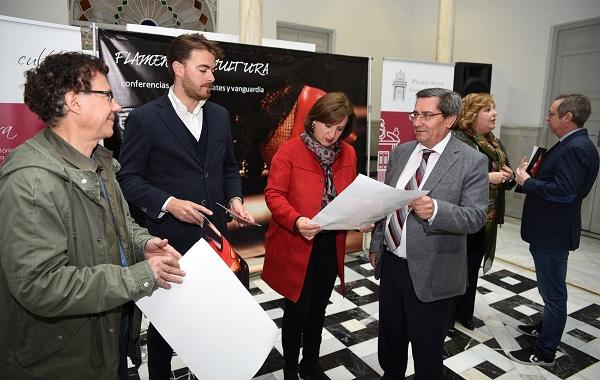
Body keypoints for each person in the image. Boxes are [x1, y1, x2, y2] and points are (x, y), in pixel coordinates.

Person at [0, 52, 185, 380]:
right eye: (107, 95)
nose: (115, 106)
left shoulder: (101, 163)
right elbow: (39, 284)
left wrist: (144, 244)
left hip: (106, 344)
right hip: (59, 362)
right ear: (73, 102)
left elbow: (119, 226)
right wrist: (137, 276)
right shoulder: (32, 180)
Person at [117, 33, 255, 379]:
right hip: (170, 244)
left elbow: (227, 166)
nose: (212, 77)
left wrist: (235, 198)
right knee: (167, 331)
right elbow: (128, 179)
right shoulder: (146, 119)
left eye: (213, 69)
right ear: (179, 69)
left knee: (215, 322)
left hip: (216, 242)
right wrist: (169, 203)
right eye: (204, 69)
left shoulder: (221, 116)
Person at [369, 88, 489, 379]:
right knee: (390, 343)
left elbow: (476, 217)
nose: (417, 121)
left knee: (427, 354)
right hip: (393, 267)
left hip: (435, 272)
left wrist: (435, 209)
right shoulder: (401, 152)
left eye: (427, 115)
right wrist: (376, 243)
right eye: (415, 114)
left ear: (449, 119)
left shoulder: (471, 161)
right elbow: (388, 202)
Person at [262, 92, 372, 380]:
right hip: (297, 242)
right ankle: (289, 368)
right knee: (296, 311)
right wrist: (296, 220)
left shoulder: (347, 153)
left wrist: (362, 217)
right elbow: (273, 195)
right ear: (313, 121)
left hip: (329, 243)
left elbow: (350, 196)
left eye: (339, 129)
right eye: (327, 125)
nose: (331, 134)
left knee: (318, 308)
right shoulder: (290, 151)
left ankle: (310, 363)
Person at [509, 94, 599, 366]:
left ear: (568, 117)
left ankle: (545, 351)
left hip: (554, 232)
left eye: (551, 113)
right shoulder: (571, 144)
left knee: (554, 294)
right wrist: (531, 176)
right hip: (549, 230)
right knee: (549, 290)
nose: (547, 118)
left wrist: (528, 181)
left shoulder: (577, 148)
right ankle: (544, 328)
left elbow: (564, 193)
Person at [451, 93, 516, 330]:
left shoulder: (494, 142)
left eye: (493, 109)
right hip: (463, 213)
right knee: (456, 269)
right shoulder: (458, 138)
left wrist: (510, 175)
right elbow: (454, 177)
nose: (494, 114)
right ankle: (447, 318)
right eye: (487, 110)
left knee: (472, 266)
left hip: (486, 216)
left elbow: (503, 173)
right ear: (471, 114)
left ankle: (464, 313)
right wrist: (488, 177)